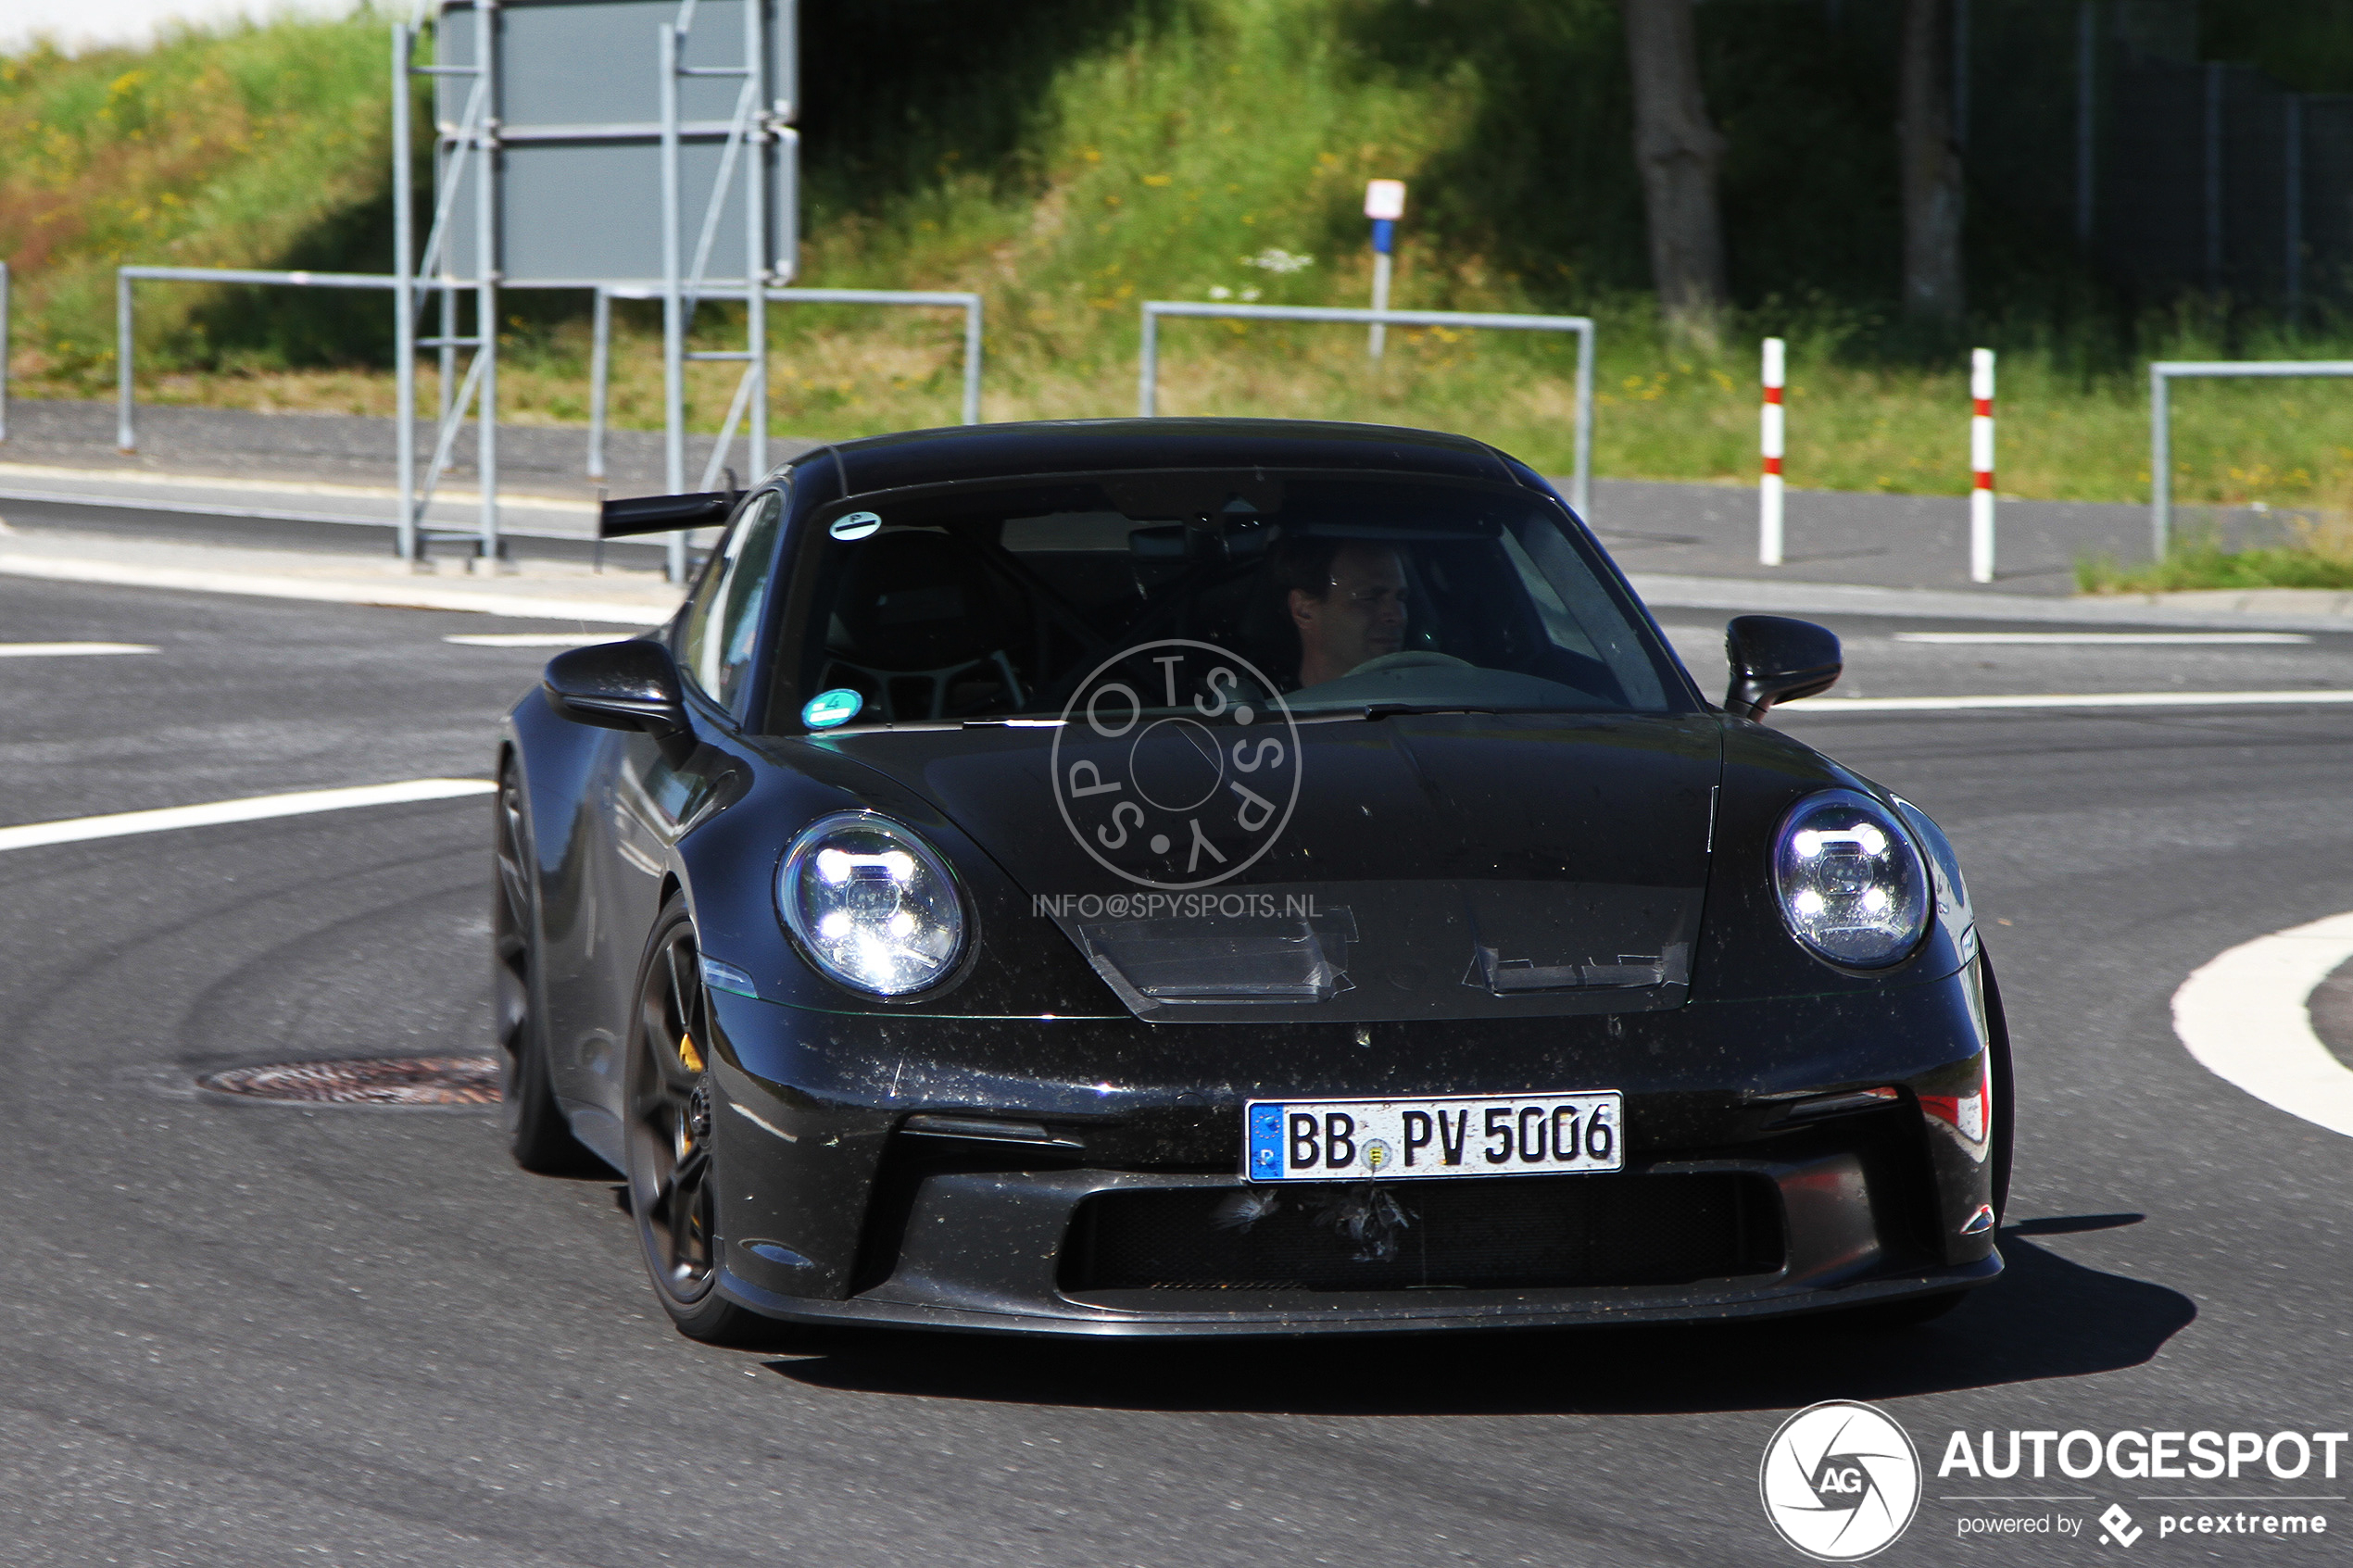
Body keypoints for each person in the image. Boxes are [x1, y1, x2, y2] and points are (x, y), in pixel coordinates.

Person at [1270, 535, 1410, 688]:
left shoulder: (1429, 700)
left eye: (1400, 598)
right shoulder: (1265, 710)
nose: (1398, 616)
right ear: (1303, 611)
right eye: (1370, 598)